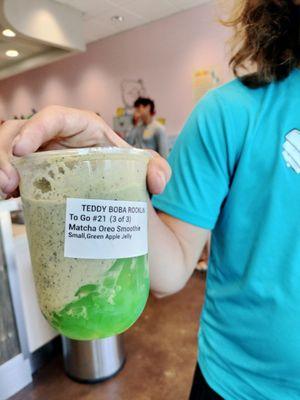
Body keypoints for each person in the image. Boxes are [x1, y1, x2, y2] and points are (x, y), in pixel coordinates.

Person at [1, 0, 300, 398]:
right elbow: (171, 269)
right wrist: (102, 170)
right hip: (239, 385)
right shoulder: (231, 112)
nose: (139, 116)